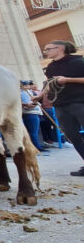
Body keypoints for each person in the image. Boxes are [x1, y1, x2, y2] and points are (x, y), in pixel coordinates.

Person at [38, 40, 84, 176]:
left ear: (60, 48)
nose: (45, 52)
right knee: (72, 136)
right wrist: (39, 96)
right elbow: (49, 83)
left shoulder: (79, 62)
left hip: (80, 102)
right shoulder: (50, 67)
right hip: (60, 105)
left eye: (48, 49)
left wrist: (67, 79)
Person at [20, 81, 46, 152]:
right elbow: (29, 105)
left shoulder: (29, 92)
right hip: (30, 113)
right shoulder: (23, 93)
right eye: (25, 86)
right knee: (33, 132)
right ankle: (37, 147)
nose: (27, 87)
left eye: (27, 85)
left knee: (34, 131)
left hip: (33, 113)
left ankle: (37, 146)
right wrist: (34, 103)